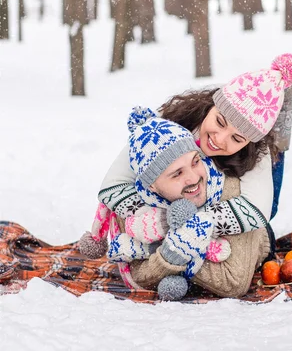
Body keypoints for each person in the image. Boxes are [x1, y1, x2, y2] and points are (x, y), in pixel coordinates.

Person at [98, 54, 292, 234]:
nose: (219, 139)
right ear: (211, 106)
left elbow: (258, 211)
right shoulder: (166, 122)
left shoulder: (255, 148)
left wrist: (189, 223)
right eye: (219, 122)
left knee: (269, 216)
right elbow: (112, 186)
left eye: (236, 138)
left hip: (253, 152)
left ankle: (281, 109)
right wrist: (160, 219)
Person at [80, 111, 270, 300]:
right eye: (177, 174)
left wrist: (161, 250)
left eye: (196, 162)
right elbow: (139, 276)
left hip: (257, 237)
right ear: (151, 186)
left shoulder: (228, 190)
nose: (194, 178)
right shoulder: (135, 207)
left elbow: (233, 282)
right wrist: (174, 249)